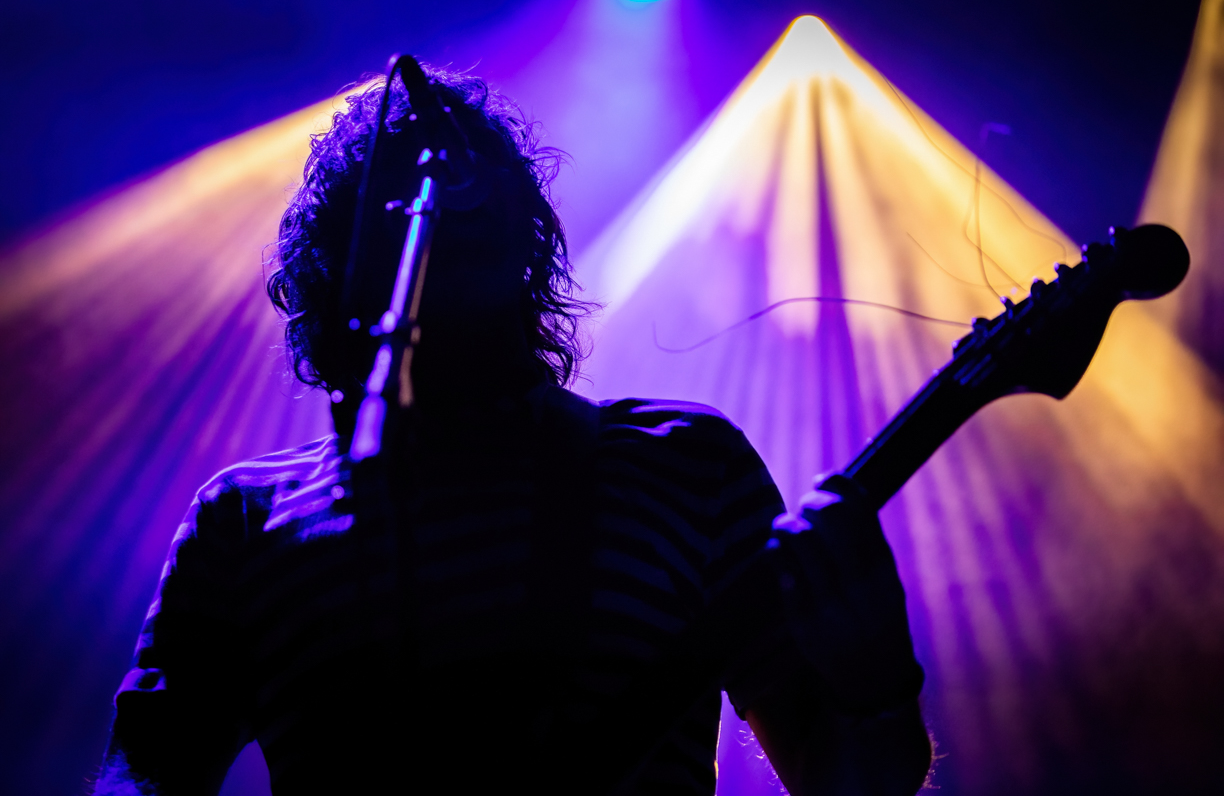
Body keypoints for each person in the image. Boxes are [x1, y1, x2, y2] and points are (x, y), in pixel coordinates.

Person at [95, 66, 931, 795]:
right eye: (404, 199)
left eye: (477, 197)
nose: (451, 208)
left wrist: (879, 681)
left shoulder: (688, 464)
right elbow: (144, 769)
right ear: (344, 261)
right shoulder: (244, 517)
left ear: (522, 239)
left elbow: (850, 778)